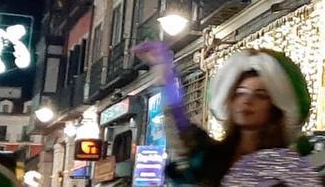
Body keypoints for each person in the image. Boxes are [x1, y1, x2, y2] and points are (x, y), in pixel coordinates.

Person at [133, 42, 311, 186]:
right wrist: (167, 80)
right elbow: (181, 133)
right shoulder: (213, 157)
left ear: (275, 107)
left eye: (260, 95)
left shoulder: (287, 168)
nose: (247, 101)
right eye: (240, 92)